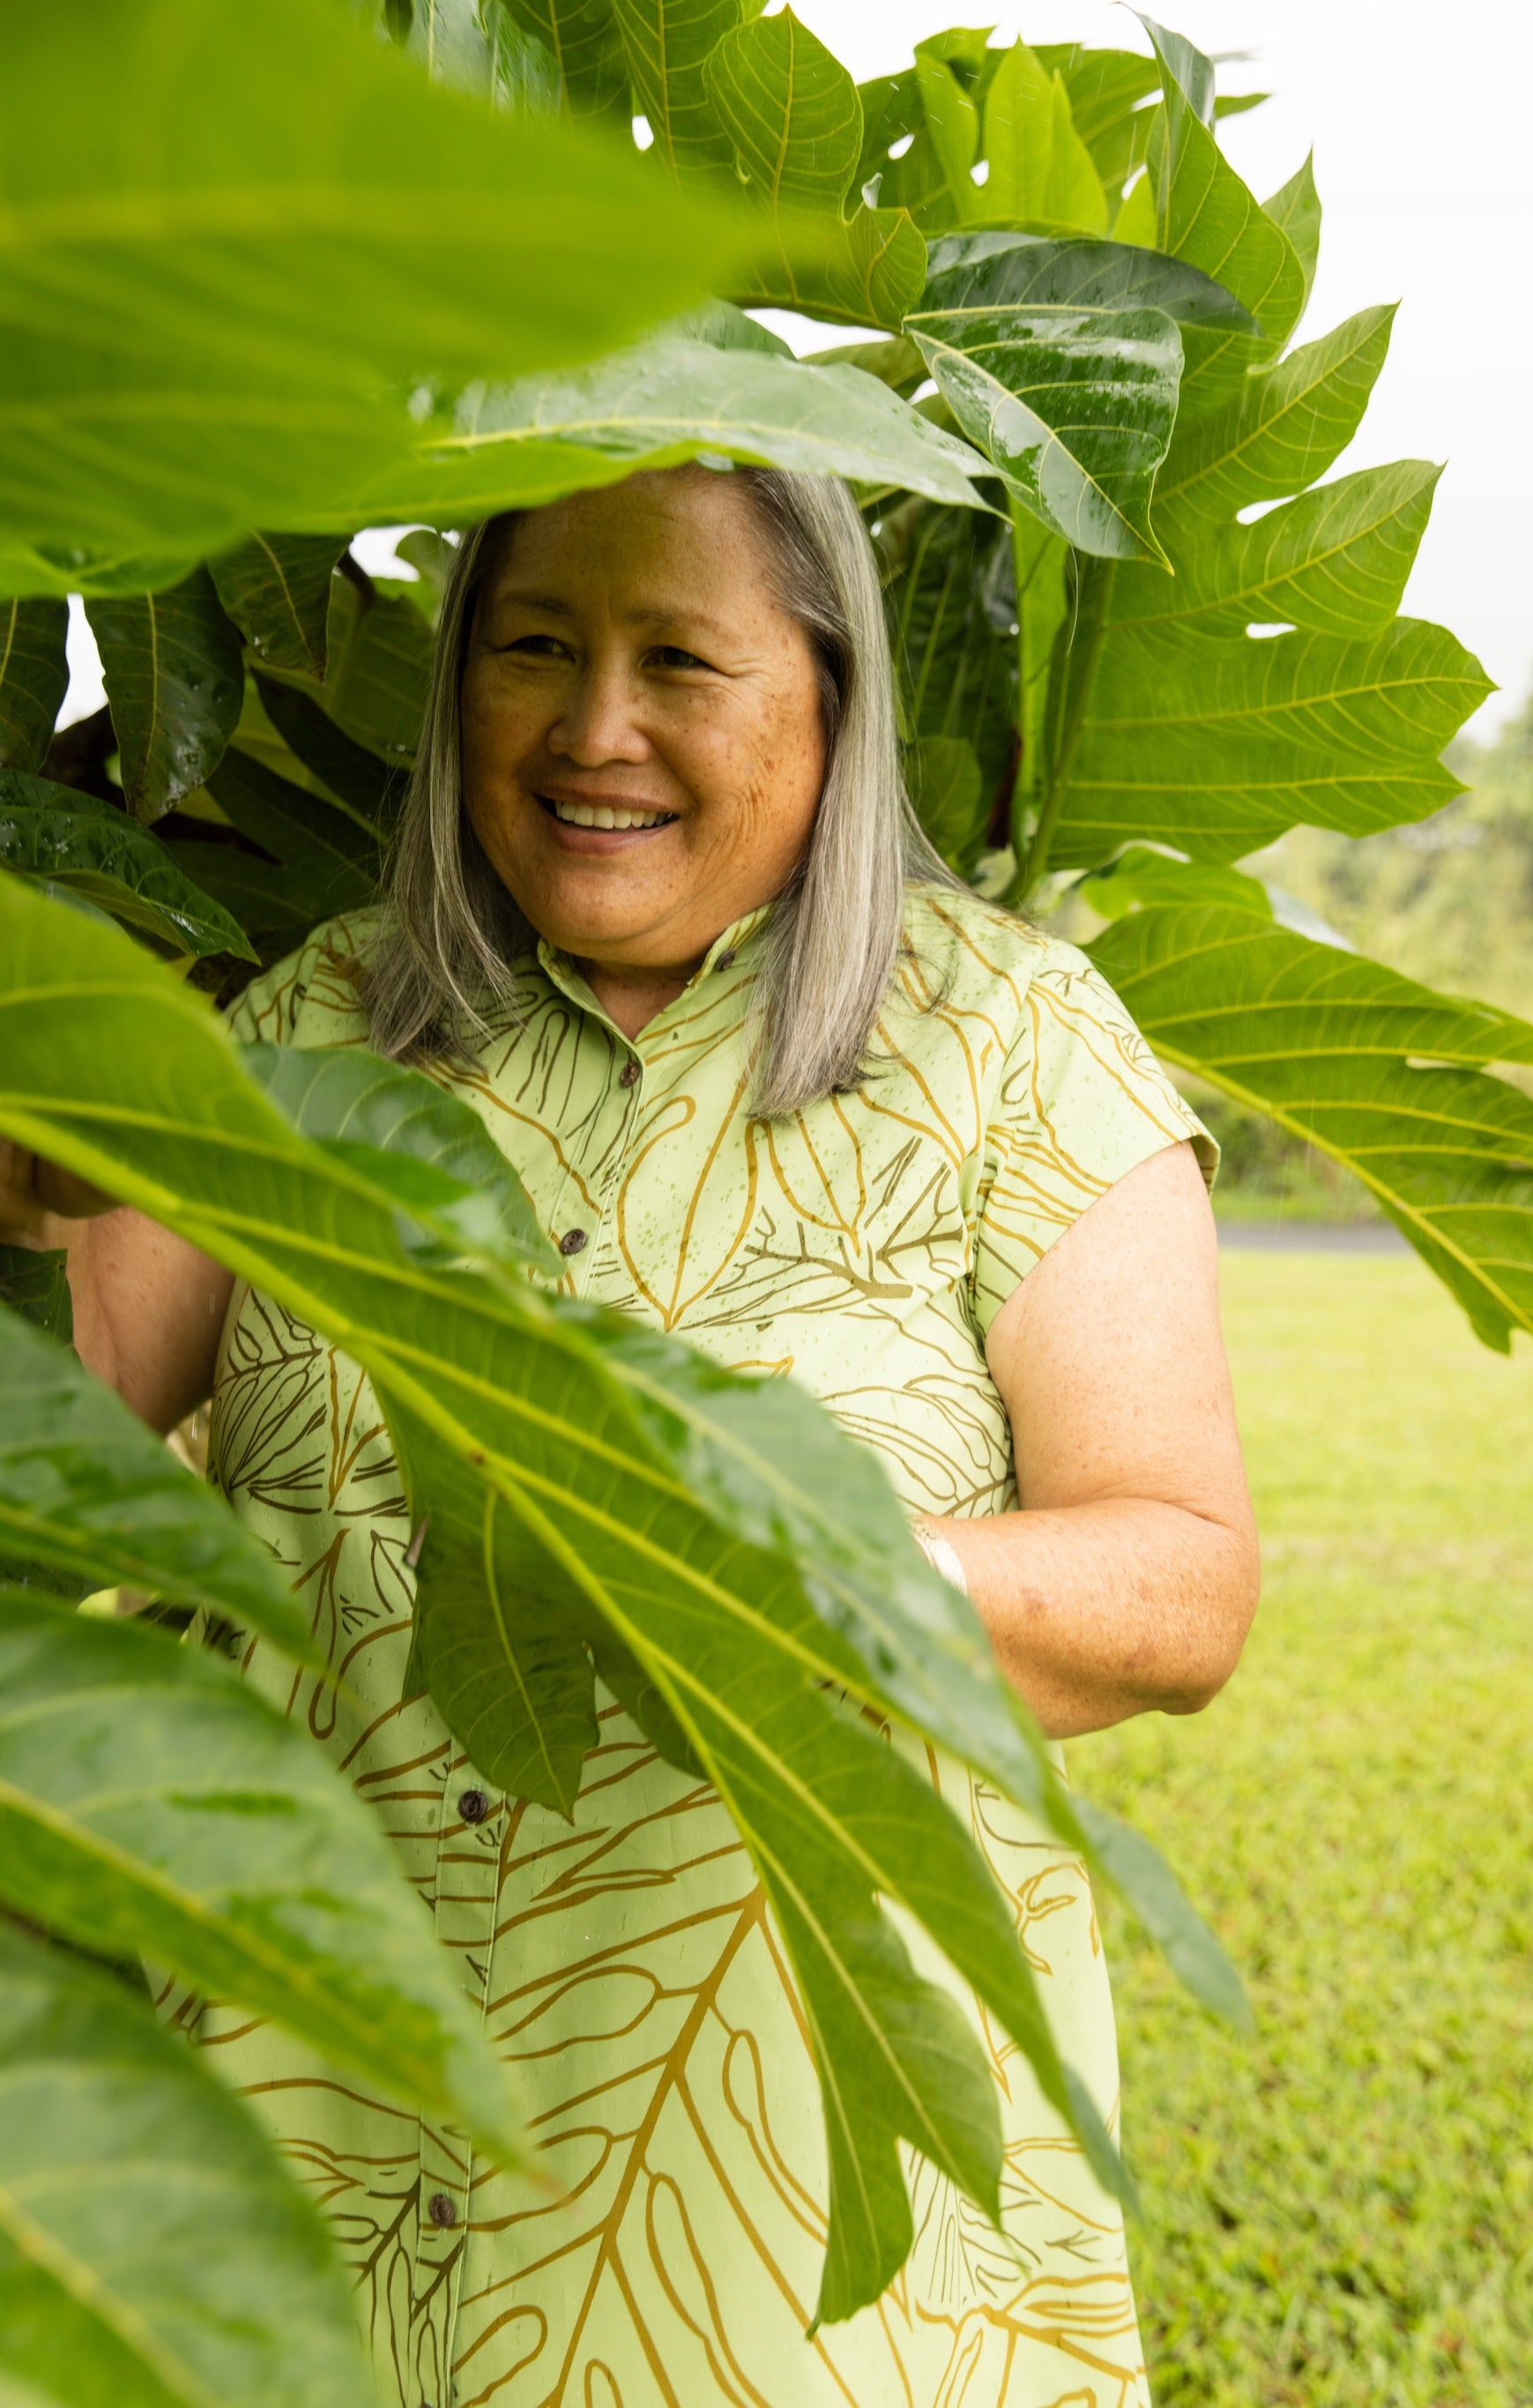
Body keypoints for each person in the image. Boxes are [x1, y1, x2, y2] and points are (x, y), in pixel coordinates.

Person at [1, 465, 1258, 2408]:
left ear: (828, 700)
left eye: (681, 659)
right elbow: (55, 1404)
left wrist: (800, 1561)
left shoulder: (1008, 1042)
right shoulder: (318, 1022)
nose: (595, 727)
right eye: (532, 648)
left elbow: (1176, 1581)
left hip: (758, 2259)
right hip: (290, 2165)